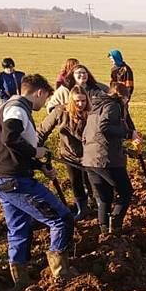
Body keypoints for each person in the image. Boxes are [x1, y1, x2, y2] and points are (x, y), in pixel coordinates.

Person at [0, 74, 75, 291]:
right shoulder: (17, 108)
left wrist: (39, 166)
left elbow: (10, 150)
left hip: (1, 177)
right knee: (61, 218)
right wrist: (35, 151)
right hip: (14, 180)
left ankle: (20, 280)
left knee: (18, 227)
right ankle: (60, 273)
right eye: (46, 98)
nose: (45, 103)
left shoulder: (9, 105)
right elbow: (11, 137)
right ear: (39, 92)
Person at [81, 83, 136, 233]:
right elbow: (104, 127)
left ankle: (104, 230)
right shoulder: (113, 106)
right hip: (106, 159)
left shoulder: (96, 107)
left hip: (90, 160)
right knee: (125, 192)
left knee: (105, 197)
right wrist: (128, 134)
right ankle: (115, 226)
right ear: (123, 97)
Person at [37, 86, 93, 220]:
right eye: (77, 101)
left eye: (83, 101)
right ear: (70, 101)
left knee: (92, 181)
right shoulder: (60, 112)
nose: (80, 104)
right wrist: (35, 147)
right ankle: (82, 209)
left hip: (90, 154)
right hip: (69, 155)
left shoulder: (92, 113)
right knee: (76, 182)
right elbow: (42, 130)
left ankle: (95, 203)